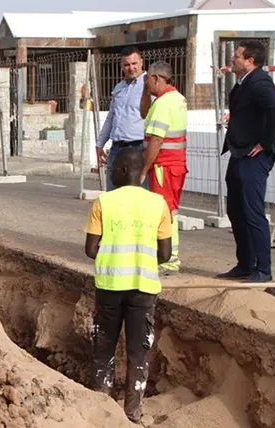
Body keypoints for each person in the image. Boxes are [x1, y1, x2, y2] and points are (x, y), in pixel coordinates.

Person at [83, 148, 172, 423]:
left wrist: (113, 253)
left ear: (122, 171)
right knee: (137, 352)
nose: (109, 173)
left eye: (112, 169)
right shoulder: (158, 204)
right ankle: (132, 412)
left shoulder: (103, 203)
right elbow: (166, 254)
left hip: (109, 285)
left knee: (104, 346)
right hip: (143, 288)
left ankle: (100, 403)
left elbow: (90, 248)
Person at [217, 40, 275, 283]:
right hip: (239, 153)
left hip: (254, 156)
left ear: (250, 60)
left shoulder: (259, 82)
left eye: (237, 56)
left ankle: (263, 270)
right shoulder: (244, 83)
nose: (232, 59)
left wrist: (264, 142)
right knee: (235, 209)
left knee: (253, 211)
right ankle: (245, 263)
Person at [140, 61, 188, 275]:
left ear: (156, 78)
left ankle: (168, 260)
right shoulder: (176, 98)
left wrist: (143, 169)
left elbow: (156, 141)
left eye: (148, 78)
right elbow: (144, 113)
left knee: (164, 212)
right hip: (174, 164)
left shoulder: (163, 104)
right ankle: (167, 256)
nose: (146, 81)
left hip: (163, 165)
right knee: (169, 210)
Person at [96, 46, 152, 191]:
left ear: (141, 63)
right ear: (121, 66)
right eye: (127, 65)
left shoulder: (149, 86)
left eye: (134, 64)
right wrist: (100, 143)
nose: (131, 68)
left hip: (139, 148)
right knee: (112, 193)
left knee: (139, 194)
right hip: (117, 148)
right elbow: (111, 117)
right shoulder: (119, 87)